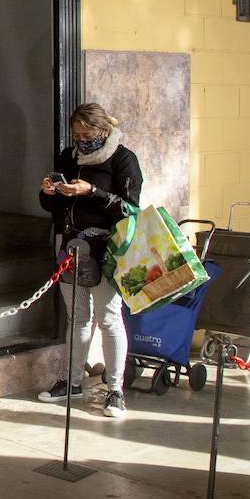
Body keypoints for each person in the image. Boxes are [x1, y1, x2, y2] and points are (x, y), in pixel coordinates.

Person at [36, 103, 142, 419]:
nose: (83, 140)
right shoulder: (69, 158)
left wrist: (91, 191)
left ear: (103, 130)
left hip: (106, 248)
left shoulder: (123, 159)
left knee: (109, 317)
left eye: (88, 134)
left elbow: (130, 209)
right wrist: (49, 192)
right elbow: (50, 206)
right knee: (77, 316)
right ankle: (72, 381)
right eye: (77, 135)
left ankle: (115, 389)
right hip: (71, 245)